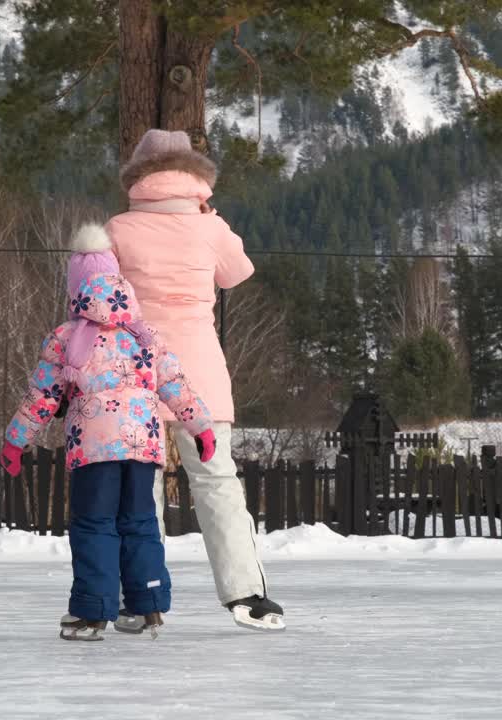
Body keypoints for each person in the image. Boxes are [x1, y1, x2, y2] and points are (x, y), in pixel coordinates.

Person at [0, 224, 217, 642]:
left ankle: (92, 612)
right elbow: (177, 385)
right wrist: (201, 426)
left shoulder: (67, 338)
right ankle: (146, 604)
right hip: (142, 448)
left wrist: (15, 440)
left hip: (94, 451)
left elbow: (42, 396)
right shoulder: (144, 335)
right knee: (139, 522)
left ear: (77, 289)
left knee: (95, 524)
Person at [106, 129, 285, 631]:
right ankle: (246, 594)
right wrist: (212, 221)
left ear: (138, 175)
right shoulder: (212, 228)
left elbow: (99, 296)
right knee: (217, 482)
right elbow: (237, 272)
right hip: (199, 370)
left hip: (134, 372)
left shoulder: (117, 228)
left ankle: (142, 600)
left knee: (141, 491)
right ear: (194, 174)